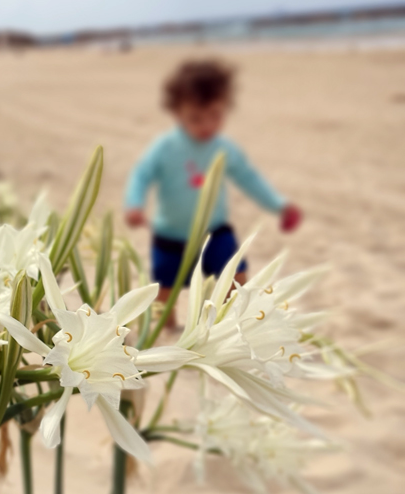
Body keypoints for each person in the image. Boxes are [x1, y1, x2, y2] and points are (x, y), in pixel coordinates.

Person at [124, 59, 302, 327]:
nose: (206, 125)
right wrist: (134, 204)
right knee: (164, 292)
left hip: (215, 232)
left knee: (237, 276)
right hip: (171, 236)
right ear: (176, 112)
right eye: (195, 118)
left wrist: (279, 205)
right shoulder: (165, 147)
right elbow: (142, 174)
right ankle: (167, 332)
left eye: (216, 116)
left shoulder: (225, 148)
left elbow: (249, 178)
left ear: (226, 108)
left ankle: (233, 325)